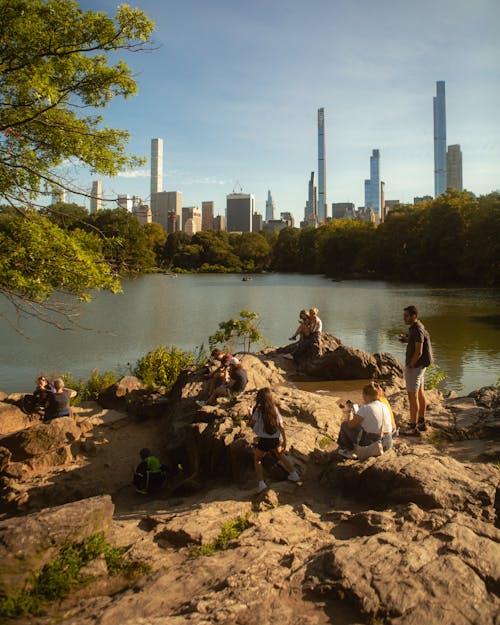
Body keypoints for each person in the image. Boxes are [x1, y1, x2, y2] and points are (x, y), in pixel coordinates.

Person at [247, 387, 300, 492]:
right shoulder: (274, 409)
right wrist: (284, 439)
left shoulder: (258, 410)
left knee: (257, 459)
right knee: (280, 455)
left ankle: (261, 483)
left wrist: (249, 413)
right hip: (275, 439)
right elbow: (281, 426)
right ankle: (294, 474)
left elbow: (251, 424)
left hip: (264, 440)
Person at [398, 305, 433, 435]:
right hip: (421, 366)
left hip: (416, 366)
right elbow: (416, 343)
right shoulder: (416, 327)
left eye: (406, 316)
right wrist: (406, 340)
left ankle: (413, 426)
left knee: (412, 396)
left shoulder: (417, 329)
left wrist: (411, 365)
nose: (404, 318)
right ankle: (421, 422)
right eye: (404, 316)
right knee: (420, 393)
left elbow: (418, 351)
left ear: (414, 316)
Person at [337, 382, 393, 459]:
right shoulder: (384, 405)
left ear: (366, 395)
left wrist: (350, 414)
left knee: (344, 425)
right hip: (388, 442)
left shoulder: (365, 408)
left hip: (374, 445)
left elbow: (350, 425)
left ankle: (349, 450)